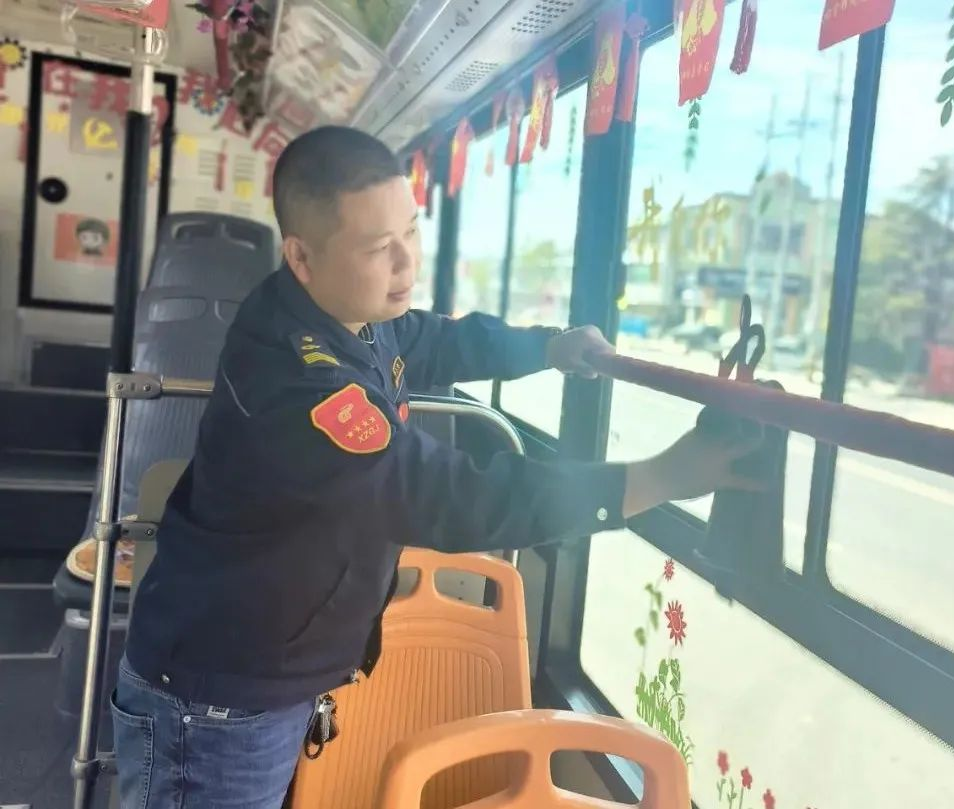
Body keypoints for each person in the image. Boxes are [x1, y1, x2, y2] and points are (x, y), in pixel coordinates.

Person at [112, 126, 760, 808]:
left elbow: (435, 339)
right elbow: (445, 495)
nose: (406, 264)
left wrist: (549, 348)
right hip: (212, 704)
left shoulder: (351, 313)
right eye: (378, 248)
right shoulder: (299, 381)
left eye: (412, 233)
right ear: (301, 256)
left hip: (260, 673)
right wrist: (658, 478)